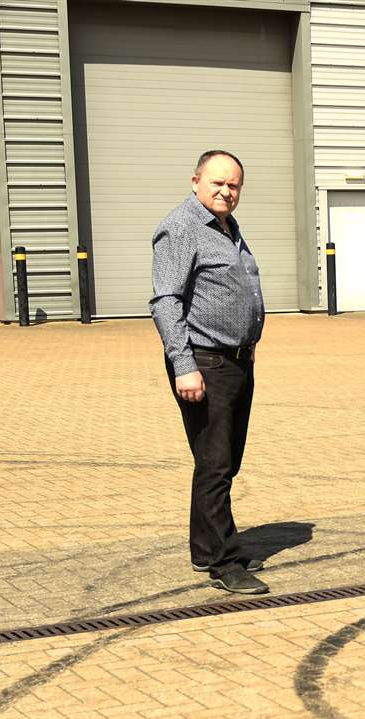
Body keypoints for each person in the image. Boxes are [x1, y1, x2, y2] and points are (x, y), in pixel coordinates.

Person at [150, 149, 270, 595]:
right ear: (196, 180)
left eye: (234, 185)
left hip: (236, 360)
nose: (226, 191)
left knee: (224, 460)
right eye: (218, 182)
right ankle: (225, 562)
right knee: (215, 463)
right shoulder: (181, 228)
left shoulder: (228, 227)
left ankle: (205, 546)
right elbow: (166, 301)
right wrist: (184, 366)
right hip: (204, 361)